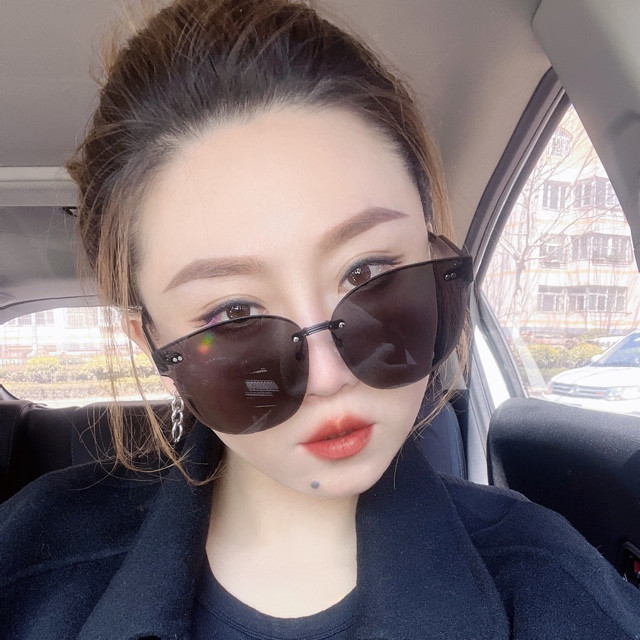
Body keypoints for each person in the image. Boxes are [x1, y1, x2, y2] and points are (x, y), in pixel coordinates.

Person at [1, 0, 639, 638]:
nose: (329, 377)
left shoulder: (551, 587)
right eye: (235, 313)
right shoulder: (24, 571)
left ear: (432, 257)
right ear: (156, 346)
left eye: (366, 274)